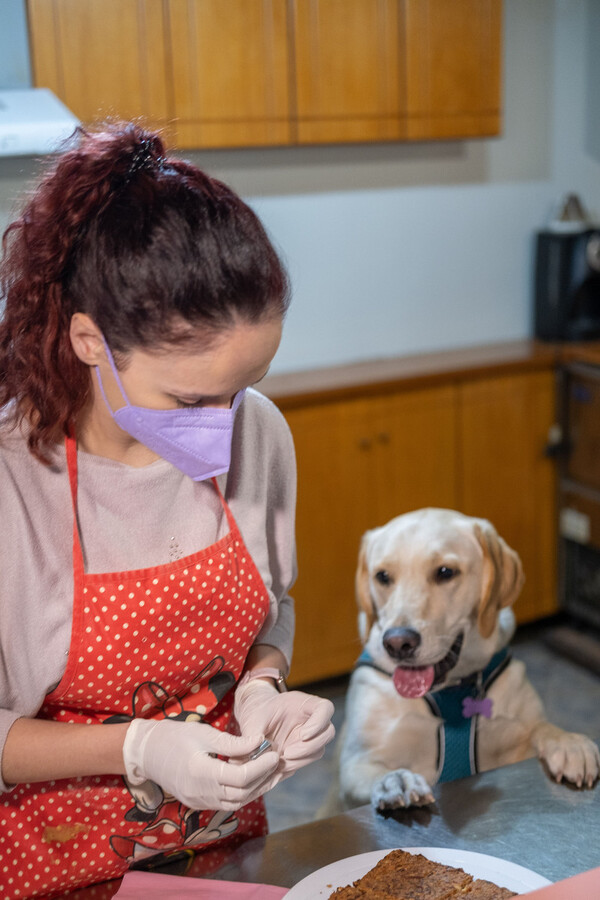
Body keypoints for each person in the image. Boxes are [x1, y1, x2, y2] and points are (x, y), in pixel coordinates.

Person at [0, 122, 335, 899]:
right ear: (91, 341)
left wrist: (264, 687)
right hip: (52, 870)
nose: (224, 424)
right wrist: (142, 748)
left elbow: (270, 608)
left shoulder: (262, 435)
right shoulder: (16, 480)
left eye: (241, 388)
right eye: (189, 399)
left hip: (223, 858)